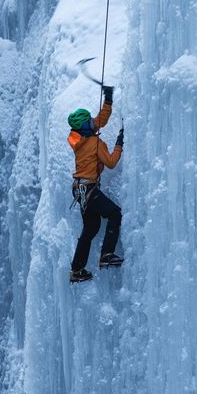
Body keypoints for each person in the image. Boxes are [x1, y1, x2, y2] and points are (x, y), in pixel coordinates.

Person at [67, 85, 125, 283]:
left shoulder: (81, 141)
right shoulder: (95, 143)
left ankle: (77, 270)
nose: (94, 122)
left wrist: (108, 100)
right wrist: (119, 144)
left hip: (79, 191)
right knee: (114, 213)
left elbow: (100, 120)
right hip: (89, 190)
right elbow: (110, 162)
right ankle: (107, 255)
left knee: (91, 228)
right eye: (90, 121)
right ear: (86, 127)